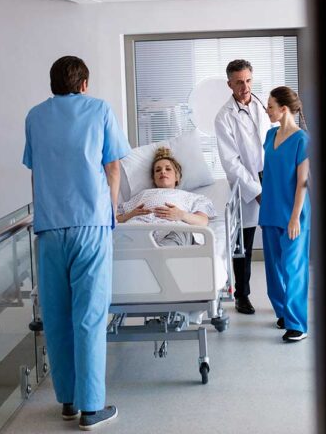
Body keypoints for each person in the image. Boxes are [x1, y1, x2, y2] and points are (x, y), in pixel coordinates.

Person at [22, 56, 129, 430]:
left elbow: (36, 171)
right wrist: (109, 211)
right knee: (90, 316)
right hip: (90, 224)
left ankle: (67, 400)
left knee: (56, 316)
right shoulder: (99, 110)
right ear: (84, 84)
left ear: (53, 84)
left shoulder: (35, 116)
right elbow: (113, 167)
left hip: (50, 227)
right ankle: (91, 407)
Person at [214, 59, 273, 314]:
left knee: (276, 242)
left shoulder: (263, 106)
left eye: (248, 80)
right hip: (246, 187)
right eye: (239, 82)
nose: (245, 87)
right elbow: (231, 163)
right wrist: (256, 191)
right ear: (229, 84)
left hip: (271, 179)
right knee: (244, 247)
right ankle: (242, 296)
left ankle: (281, 295)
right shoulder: (223, 117)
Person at [259, 86, 311, 342]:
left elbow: (303, 182)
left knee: (293, 268)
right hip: (270, 210)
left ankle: (297, 324)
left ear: (283, 109)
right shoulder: (270, 135)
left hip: (293, 213)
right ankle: (283, 313)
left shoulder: (302, 140)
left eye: (270, 106)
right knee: (273, 270)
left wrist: (294, 217)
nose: (266, 110)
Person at [116, 147, 216, 244]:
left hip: (172, 230)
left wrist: (181, 215)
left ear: (177, 177)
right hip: (138, 228)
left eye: (168, 169)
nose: (163, 172)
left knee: (180, 234)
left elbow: (202, 221)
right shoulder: (143, 194)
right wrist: (129, 215)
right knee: (121, 240)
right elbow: (115, 218)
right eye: (158, 170)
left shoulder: (193, 197)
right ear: (154, 179)